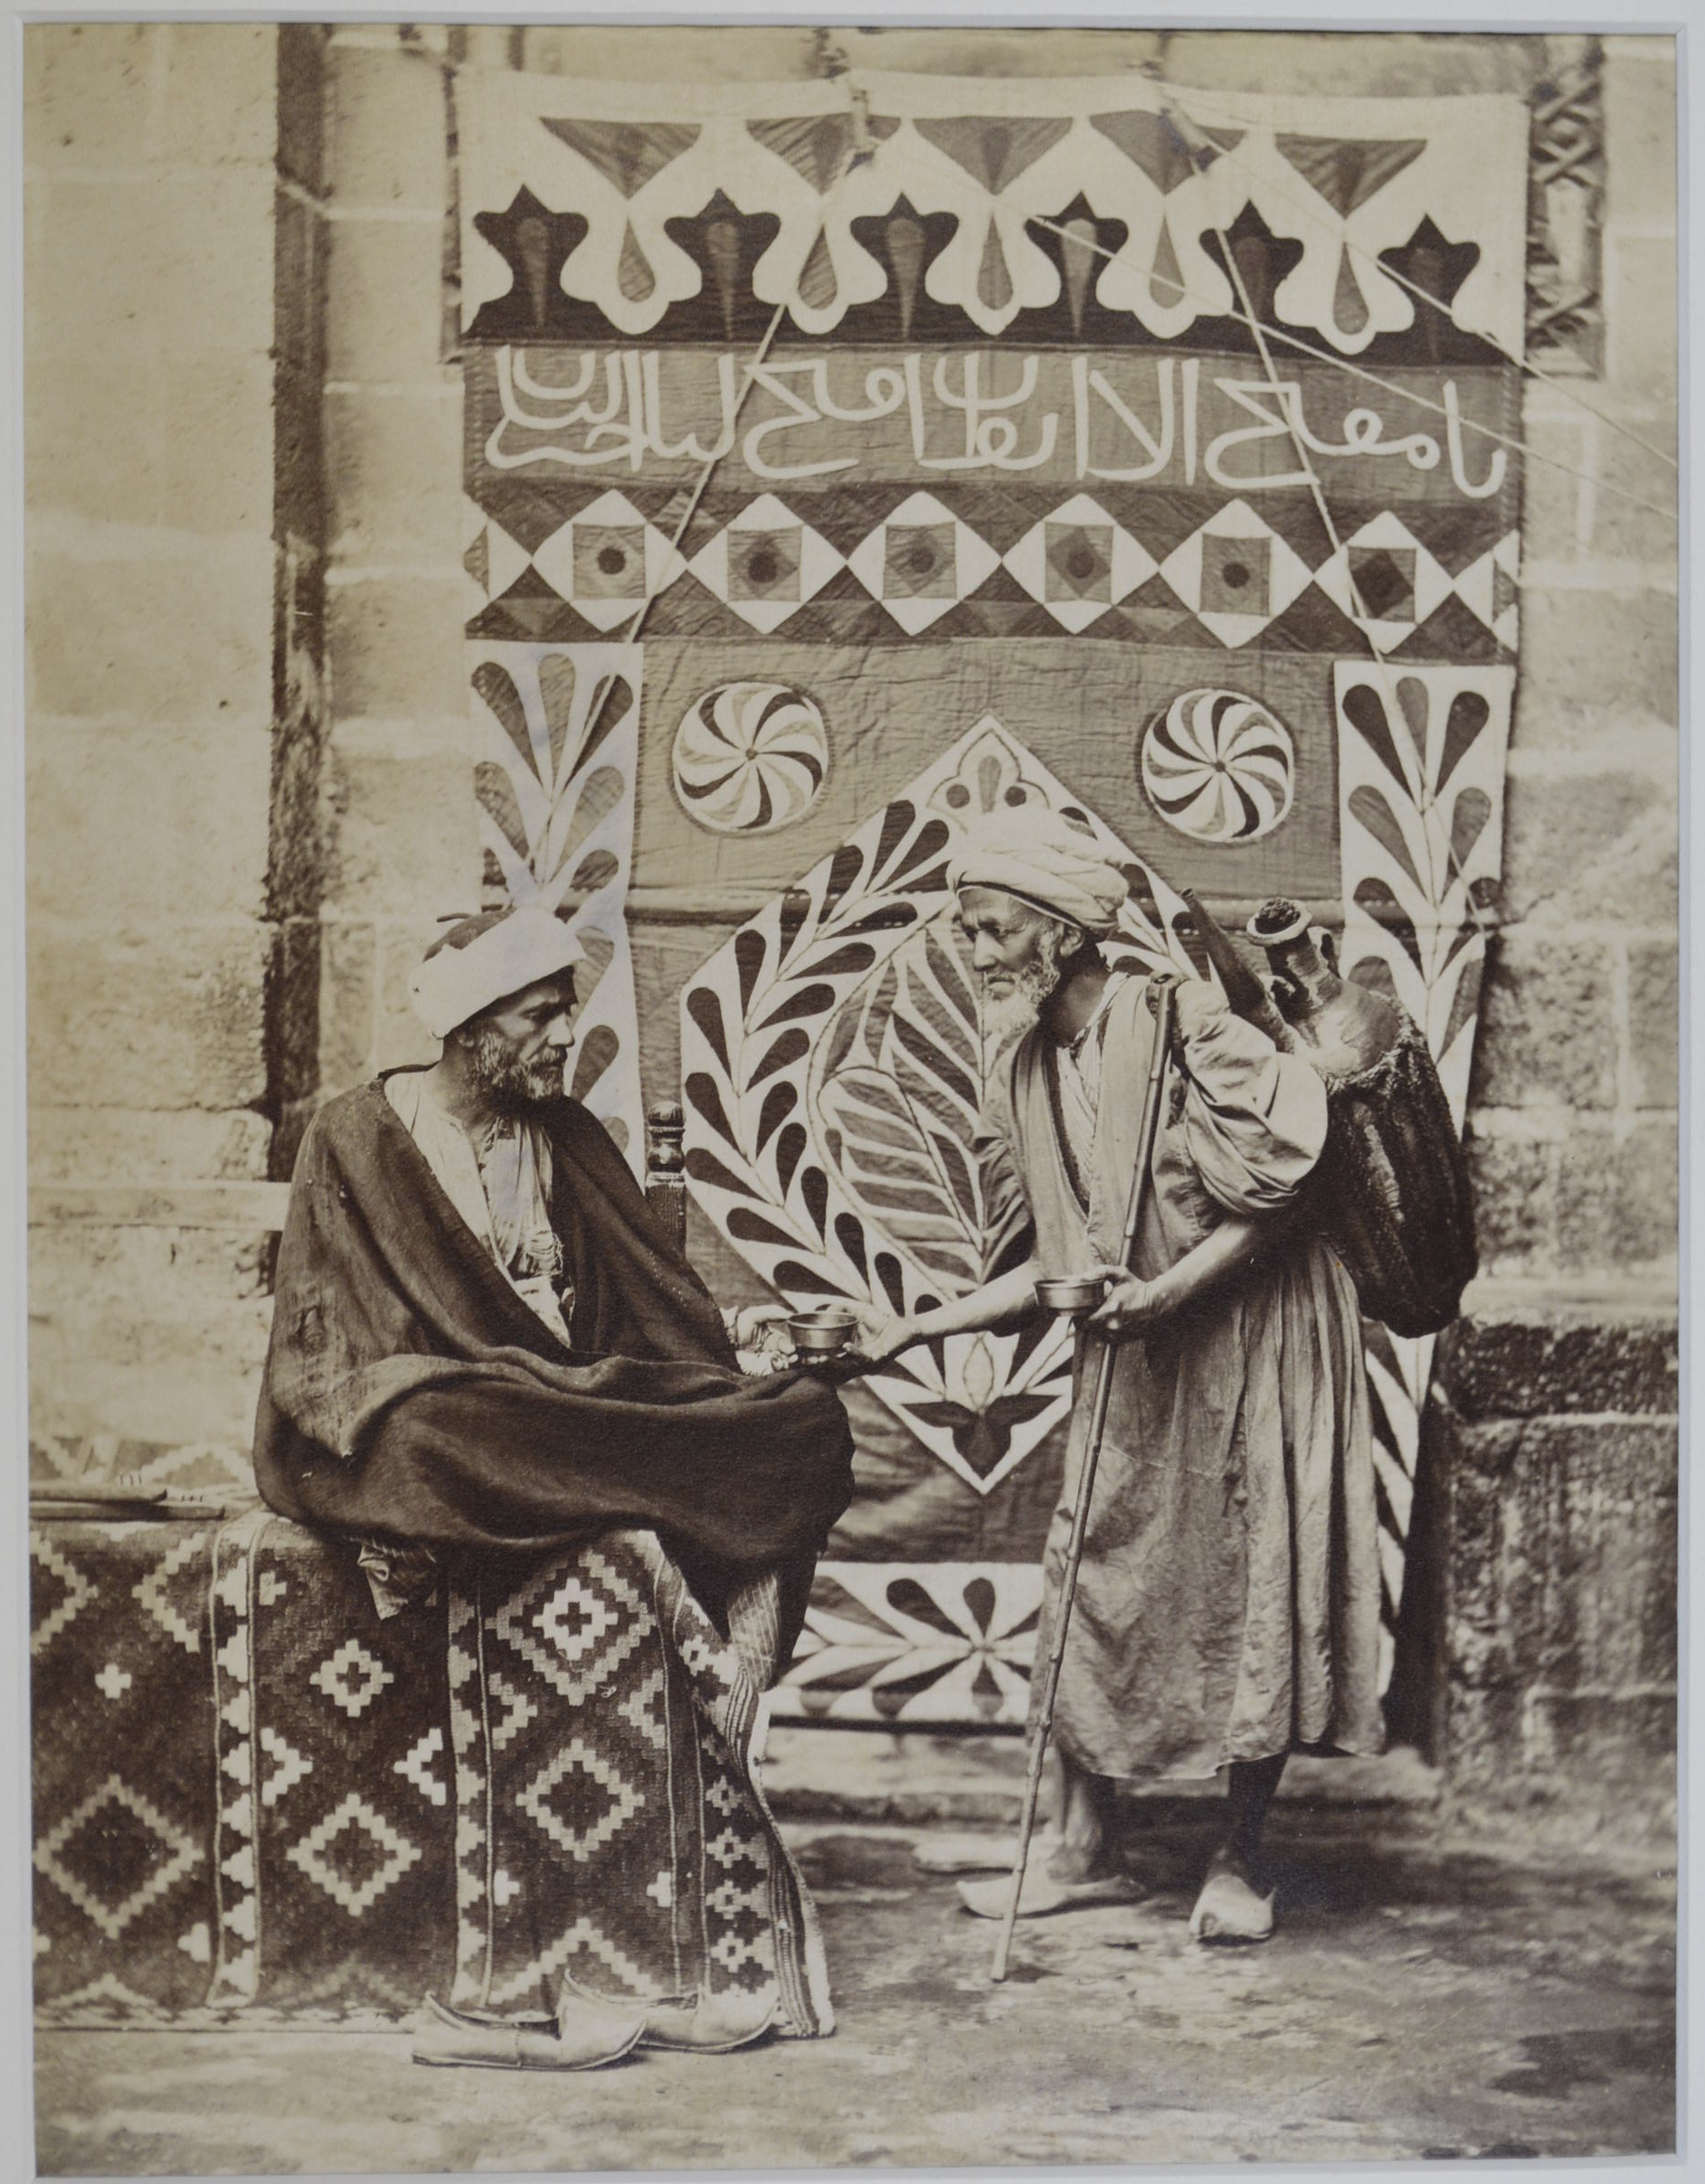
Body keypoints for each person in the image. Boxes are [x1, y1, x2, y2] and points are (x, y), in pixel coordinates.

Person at [254, 903, 856, 2062]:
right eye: (539, 1017)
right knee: (434, 1430)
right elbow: (330, 1341)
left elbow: (655, 1313)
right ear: (475, 1028)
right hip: (446, 1413)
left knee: (799, 1424)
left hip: (565, 1413)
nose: (559, 1036)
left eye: (561, 1014)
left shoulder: (569, 1137)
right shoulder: (356, 1135)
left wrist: (755, 1353)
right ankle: (582, 1487)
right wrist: (481, 1388)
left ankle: (590, 1487)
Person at [855, 808, 1385, 1942]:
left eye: (993, 929)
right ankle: (1088, 1849)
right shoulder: (1034, 1062)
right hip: (1143, 1338)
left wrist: (1164, 1294)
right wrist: (902, 1333)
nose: (978, 953)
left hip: (1261, 1328)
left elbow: (1280, 1199)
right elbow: (1064, 1265)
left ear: (1057, 933)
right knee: (1092, 1560)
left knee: (1253, 1578)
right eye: (972, 930)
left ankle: (1239, 1862)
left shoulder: (1187, 1021)